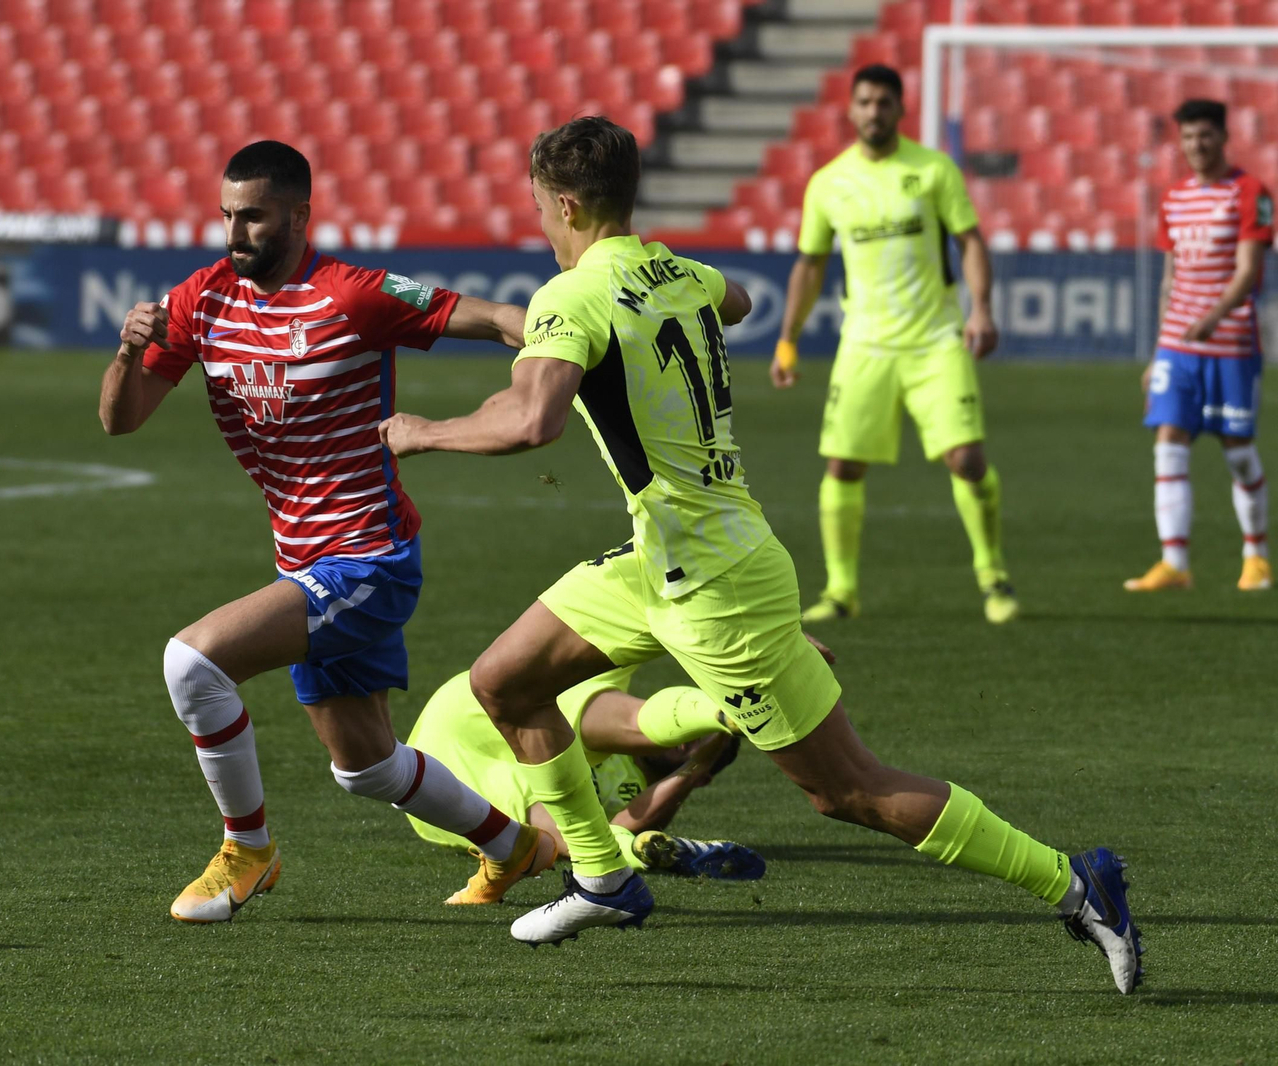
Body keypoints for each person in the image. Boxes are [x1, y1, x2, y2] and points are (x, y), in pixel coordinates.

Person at [380, 116, 1143, 996]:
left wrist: (422, 432)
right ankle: (603, 877)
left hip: (714, 582)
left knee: (847, 791)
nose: (541, 225)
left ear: (566, 204)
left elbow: (531, 421)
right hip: (660, 553)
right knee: (506, 682)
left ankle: (1073, 883)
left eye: (540, 208)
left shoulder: (572, 295)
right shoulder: (682, 273)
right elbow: (736, 301)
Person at [99, 140, 553, 924]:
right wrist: (126, 353)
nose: (235, 233)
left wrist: (566, 343)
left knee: (192, 665)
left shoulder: (354, 294)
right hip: (302, 562)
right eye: (227, 216)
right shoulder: (202, 301)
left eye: (253, 216)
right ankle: (516, 847)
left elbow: (499, 318)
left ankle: (247, 851)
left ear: (300, 215)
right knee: (367, 768)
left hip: (370, 561)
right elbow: (122, 419)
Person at [772, 64, 1015, 625]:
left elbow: (970, 241)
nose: (874, 111)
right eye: (865, 102)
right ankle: (841, 591)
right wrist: (787, 340)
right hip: (865, 345)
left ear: (901, 109)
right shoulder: (829, 183)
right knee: (843, 466)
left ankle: (993, 575)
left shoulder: (933, 170)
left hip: (936, 340)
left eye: (884, 102)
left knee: (967, 459)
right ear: (851, 109)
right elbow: (810, 265)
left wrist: (981, 308)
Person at [406, 664, 765, 899]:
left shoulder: (648, 795)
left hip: (442, 781)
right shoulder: (620, 726)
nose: (686, 742)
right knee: (580, 719)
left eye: (699, 745)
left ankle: (645, 853)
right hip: (470, 708)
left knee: (560, 830)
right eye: (694, 734)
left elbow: (616, 826)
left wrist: (695, 767)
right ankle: (720, 711)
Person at [1126, 98, 1273, 593]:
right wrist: (1157, 354)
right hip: (1178, 348)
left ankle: (1256, 556)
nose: (1197, 145)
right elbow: (1170, 280)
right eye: (1188, 136)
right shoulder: (1173, 198)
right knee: (1168, 440)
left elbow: (1248, 271)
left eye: (1205, 135)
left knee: (1238, 451)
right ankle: (1175, 564)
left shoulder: (1251, 192)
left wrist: (1212, 318)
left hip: (1230, 346)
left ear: (1224, 138)